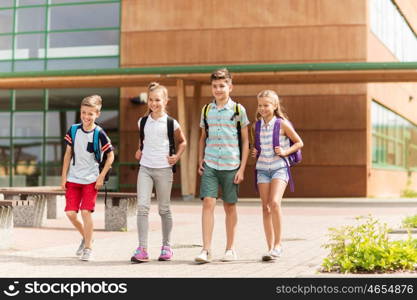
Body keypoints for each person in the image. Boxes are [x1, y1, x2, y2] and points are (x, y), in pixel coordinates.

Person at [194, 68, 250, 263]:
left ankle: (230, 249)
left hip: (231, 164)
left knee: (229, 206)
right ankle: (206, 249)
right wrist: (200, 158)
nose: (218, 89)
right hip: (210, 163)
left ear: (230, 87)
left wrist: (242, 169)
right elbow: (202, 137)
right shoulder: (206, 110)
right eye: (215, 86)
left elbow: (245, 141)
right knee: (208, 202)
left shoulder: (238, 110)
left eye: (222, 86)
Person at [131, 82, 187, 263]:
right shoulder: (143, 121)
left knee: (164, 209)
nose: (154, 103)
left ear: (165, 101)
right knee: (142, 207)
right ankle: (142, 249)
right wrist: (139, 150)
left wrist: (176, 157)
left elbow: (183, 142)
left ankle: (166, 246)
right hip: (145, 168)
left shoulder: (171, 123)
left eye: (157, 100)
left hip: (164, 170)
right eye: (151, 100)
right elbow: (143, 140)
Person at [251, 90, 303, 261]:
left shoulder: (282, 124)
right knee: (265, 208)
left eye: (266, 105)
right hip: (262, 169)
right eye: (260, 105)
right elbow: (258, 147)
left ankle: (278, 245)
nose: (262, 108)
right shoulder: (256, 125)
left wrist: (285, 151)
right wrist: (255, 151)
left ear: (274, 106)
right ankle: (270, 248)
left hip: (279, 167)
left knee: (274, 203)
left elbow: (299, 142)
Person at [61, 94, 114, 261]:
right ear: (80, 112)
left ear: (97, 114)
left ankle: (88, 248)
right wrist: (63, 177)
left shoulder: (100, 133)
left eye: (90, 113)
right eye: (84, 112)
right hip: (73, 178)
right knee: (70, 213)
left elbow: (111, 156)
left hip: (91, 179)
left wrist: (101, 176)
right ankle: (87, 236)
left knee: (85, 212)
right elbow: (68, 154)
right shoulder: (74, 130)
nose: (86, 116)